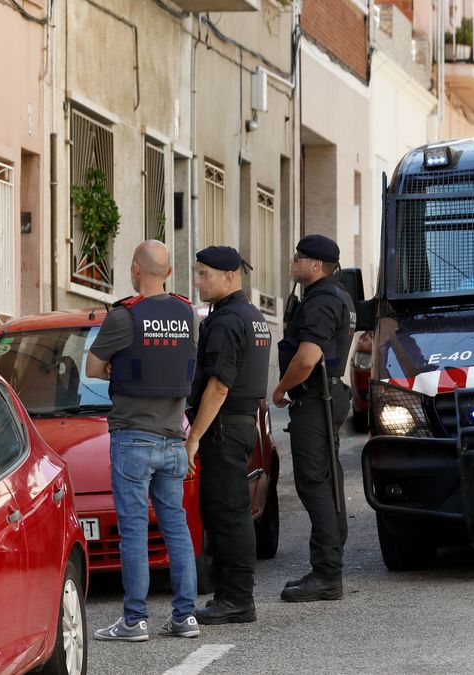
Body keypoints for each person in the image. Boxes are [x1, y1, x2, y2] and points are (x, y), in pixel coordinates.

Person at [88, 240, 201, 642]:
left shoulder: (125, 317)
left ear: (136, 270)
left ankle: (135, 621)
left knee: (134, 531)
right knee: (177, 528)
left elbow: (93, 365)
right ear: (168, 273)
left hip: (133, 438)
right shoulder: (187, 313)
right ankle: (186, 617)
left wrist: (123, 373)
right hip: (174, 438)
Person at [185, 246, 272, 625]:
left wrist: (193, 438)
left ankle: (236, 600)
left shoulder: (226, 320)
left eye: (204, 273)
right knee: (229, 513)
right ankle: (231, 596)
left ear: (230, 276)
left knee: (227, 515)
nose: (198, 281)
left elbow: (218, 387)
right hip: (241, 425)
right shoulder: (252, 315)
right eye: (197, 272)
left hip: (223, 428)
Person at [272, 234, 355, 603]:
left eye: (299, 258)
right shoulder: (337, 295)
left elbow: (306, 358)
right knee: (326, 477)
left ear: (316, 265)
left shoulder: (321, 301)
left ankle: (326, 573)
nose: (294, 262)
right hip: (327, 396)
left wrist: (279, 389)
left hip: (316, 398)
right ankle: (327, 565)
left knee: (313, 482)